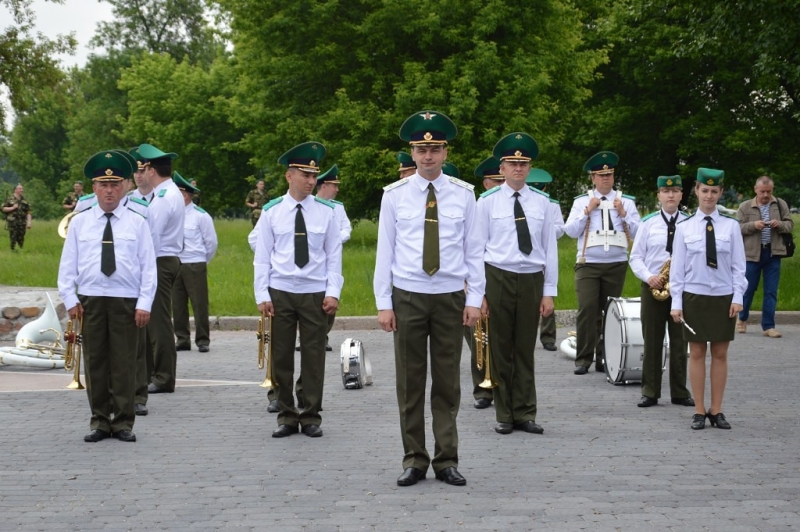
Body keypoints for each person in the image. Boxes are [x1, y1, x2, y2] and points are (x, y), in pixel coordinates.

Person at [374, 110, 484, 487]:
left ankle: (446, 459)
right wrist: (383, 302)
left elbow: (474, 249)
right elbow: (384, 251)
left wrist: (475, 297)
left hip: (450, 295)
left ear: (446, 151)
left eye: (435, 148)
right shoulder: (394, 196)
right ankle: (414, 458)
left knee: (447, 381)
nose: (428, 156)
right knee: (410, 381)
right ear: (412, 151)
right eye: (421, 149)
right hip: (408, 296)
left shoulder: (465, 194)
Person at [57, 150, 156, 443]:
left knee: (125, 363)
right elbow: (68, 266)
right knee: (96, 362)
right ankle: (100, 421)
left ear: (124, 186)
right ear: (94, 188)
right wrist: (70, 299)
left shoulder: (137, 221)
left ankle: (123, 421)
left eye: (115, 185)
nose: (109, 191)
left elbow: (148, 267)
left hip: (126, 300)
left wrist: (144, 303)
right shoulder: (80, 222)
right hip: (91, 300)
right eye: (103, 185)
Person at [254, 141, 343, 439]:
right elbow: (262, 257)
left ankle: (311, 414)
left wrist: (333, 292)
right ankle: (286, 415)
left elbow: (334, 257)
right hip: (280, 291)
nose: (310, 181)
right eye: (304, 175)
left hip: (314, 292)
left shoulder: (326, 212)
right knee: (280, 357)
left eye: (313, 176)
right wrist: (262, 295)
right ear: (289, 176)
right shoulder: (272, 212)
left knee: (313, 355)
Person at [475, 133, 557, 435]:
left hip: (532, 277)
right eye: (512, 163)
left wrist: (549, 291)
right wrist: (479, 292)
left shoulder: (543, 203)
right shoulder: (486, 203)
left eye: (523, 164)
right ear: (502, 167)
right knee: (500, 347)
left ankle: (525, 412)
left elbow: (550, 249)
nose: (518, 169)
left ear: (530, 167)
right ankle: (504, 413)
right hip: (498, 276)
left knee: (525, 347)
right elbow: (476, 249)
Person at [670, 168, 746, 430]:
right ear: (697, 191)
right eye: (705, 191)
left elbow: (739, 267)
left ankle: (717, 410)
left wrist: (738, 296)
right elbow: (677, 270)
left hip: (723, 297)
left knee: (721, 353)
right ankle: (699, 411)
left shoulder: (731, 227)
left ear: (721, 193)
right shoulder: (684, 228)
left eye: (714, 191)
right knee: (698, 352)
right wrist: (676, 303)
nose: (709, 196)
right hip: (695, 296)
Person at [564, 151, 640, 374]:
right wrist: (588, 210)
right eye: (601, 175)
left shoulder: (626, 201)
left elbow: (639, 233)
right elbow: (570, 231)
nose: (606, 178)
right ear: (593, 178)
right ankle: (583, 358)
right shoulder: (582, 202)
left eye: (609, 174)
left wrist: (624, 214)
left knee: (610, 311)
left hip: (616, 263)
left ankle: (605, 357)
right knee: (588, 309)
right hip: (589, 263)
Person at [629, 175, 693, 408]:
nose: (671, 195)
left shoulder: (689, 222)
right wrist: (649, 277)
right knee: (652, 341)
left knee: (680, 342)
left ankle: (679, 392)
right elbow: (635, 257)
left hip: (681, 290)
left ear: (681, 195)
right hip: (654, 286)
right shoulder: (648, 223)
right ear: (658, 195)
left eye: (675, 191)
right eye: (666, 192)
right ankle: (650, 391)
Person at [138, 143, 185, 395]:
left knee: (158, 323)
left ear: (152, 171)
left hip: (160, 260)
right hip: (167, 259)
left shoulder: (163, 199)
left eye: (144, 169)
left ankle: (164, 376)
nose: (142, 175)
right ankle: (149, 373)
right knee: (152, 321)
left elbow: (151, 238)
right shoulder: (170, 193)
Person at [736, 176, 794, 338]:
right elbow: (736, 228)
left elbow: (790, 225)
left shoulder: (780, 205)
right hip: (751, 254)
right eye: (762, 192)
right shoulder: (745, 206)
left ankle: (769, 326)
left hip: (773, 253)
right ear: (756, 190)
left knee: (771, 291)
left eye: (769, 192)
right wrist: (753, 226)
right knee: (747, 289)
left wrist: (780, 225)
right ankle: (742, 318)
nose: (766, 195)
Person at [467, 156, 504, 410]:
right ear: (486, 182)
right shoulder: (480, 204)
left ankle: (504, 388)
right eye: (496, 180)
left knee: (501, 336)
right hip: (478, 275)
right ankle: (482, 388)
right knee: (478, 337)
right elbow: (471, 248)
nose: (500, 184)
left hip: (500, 274)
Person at [173, 172, 218, 353]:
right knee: (177, 304)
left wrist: (201, 261)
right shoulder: (172, 214)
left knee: (199, 303)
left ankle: (202, 339)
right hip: (175, 263)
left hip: (194, 263)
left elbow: (211, 243)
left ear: (184, 195)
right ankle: (182, 338)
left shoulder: (201, 215)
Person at [526, 168, 565, 351]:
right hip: (528, 255)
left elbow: (559, 229)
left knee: (547, 294)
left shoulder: (550, 203)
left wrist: (547, 230)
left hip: (544, 252)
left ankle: (548, 336)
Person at [2, 184, 32, 251]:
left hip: (22, 222)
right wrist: (13, 208)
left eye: (22, 189)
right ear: (15, 190)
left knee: (21, 237)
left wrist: (29, 222)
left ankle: (20, 250)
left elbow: (28, 212)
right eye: (20, 188)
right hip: (13, 221)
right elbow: (3, 208)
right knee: (13, 237)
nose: (22, 190)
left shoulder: (24, 200)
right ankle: (13, 250)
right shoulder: (10, 199)